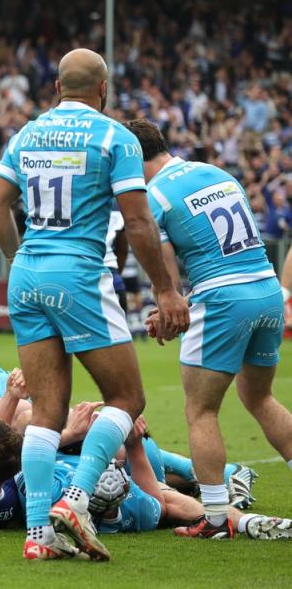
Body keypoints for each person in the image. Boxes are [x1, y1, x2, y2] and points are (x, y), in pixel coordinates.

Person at [0, 48, 190, 560]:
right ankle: (76, 500)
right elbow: (139, 221)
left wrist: (19, 258)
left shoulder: (27, 133)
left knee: (47, 414)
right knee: (127, 399)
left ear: (57, 88)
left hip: (27, 274)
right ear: (103, 89)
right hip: (78, 273)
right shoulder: (113, 135)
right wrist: (166, 289)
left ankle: (38, 537)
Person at [125, 119, 292, 539]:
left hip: (222, 298)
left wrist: (169, 309)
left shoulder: (152, 195)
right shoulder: (215, 172)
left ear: (132, 156)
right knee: (259, 396)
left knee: (201, 410)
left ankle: (216, 518)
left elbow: (167, 279)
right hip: (267, 290)